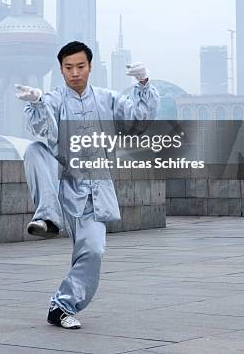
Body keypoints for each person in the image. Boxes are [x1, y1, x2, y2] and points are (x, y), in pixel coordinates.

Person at [15, 41, 159, 330]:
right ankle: (47, 218)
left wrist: (143, 84)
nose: (75, 73)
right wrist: (37, 103)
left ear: (90, 67)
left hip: (94, 189)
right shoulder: (54, 99)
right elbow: (42, 132)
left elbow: (140, 120)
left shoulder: (108, 99)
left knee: (93, 250)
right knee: (33, 149)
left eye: (80, 66)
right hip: (60, 182)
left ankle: (62, 306)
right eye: (68, 68)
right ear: (61, 69)